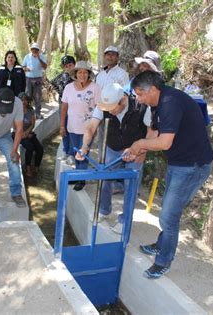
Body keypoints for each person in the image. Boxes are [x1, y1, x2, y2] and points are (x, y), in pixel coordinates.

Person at [124, 71, 213, 279]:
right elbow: (155, 134)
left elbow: (164, 142)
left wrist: (139, 144)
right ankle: (162, 243)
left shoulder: (170, 103)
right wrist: (136, 150)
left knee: (168, 216)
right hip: (178, 162)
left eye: (139, 94)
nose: (137, 99)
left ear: (152, 90)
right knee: (168, 210)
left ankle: (163, 260)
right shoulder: (158, 103)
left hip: (193, 166)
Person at [76, 83, 151, 234]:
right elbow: (91, 127)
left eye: (113, 108)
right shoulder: (104, 105)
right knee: (105, 180)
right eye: (107, 108)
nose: (110, 111)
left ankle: (124, 220)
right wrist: (84, 147)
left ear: (123, 99)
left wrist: (142, 152)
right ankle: (104, 210)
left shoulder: (142, 106)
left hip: (136, 150)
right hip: (113, 148)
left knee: (131, 186)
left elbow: (151, 131)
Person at [60, 61, 100, 191]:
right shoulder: (68, 88)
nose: (82, 75)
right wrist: (62, 125)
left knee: (84, 151)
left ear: (88, 74)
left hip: (88, 128)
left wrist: (95, 126)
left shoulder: (95, 87)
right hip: (72, 126)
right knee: (76, 150)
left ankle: (81, 179)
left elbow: (99, 108)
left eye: (85, 72)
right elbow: (64, 107)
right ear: (75, 74)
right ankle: (78, 175)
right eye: (79, 72)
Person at [95, 45, 130, 194]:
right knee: (102, 141)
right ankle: (104, 172)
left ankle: (117, 182)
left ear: (117, 57)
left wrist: (119, 109)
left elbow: (125, 95)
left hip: (116, 114)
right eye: (107, 54)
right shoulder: (100, 74)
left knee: (116, 146)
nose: (110, 57)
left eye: (113, 55)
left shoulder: (122, 74)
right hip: (101, 111)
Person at [51, 55, 76, 163]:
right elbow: (52, 84)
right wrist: (61, 94)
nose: (68, 68)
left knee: (73, 130)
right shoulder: (61, 77)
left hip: (75, 107)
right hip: (63, 106)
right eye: (66, 66)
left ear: (74, 64)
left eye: (70, 65)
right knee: (64, 129)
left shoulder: (79, 75)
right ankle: (66, 151)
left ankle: (72, 153)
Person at [16, 92, 44, 177]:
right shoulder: (16, 111)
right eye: (21, 100)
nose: (23, 102)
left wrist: (27, 132)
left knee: (40, 148)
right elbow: (15, 126)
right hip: (18, 134)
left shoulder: (30, 110)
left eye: (25, 100)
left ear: (28, 101)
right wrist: (22, 134)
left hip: (28, 133)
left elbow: (32, 124)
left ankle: (36, 167)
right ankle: (27, 167)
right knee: (30, 147)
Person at [22, 43, 47, 119]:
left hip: (38, 79)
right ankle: (28, 113)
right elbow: (23, 66)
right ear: (31, 50)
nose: (34, 51)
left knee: (37, 96)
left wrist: (39, 58)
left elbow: (45, 67)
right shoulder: (27, 57)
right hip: (29, 79)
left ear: (38, 50)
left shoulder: (42, 57)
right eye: (33, 49)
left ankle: (38, 113)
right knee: (28, 96)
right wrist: (26, 69)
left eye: (36, 49)